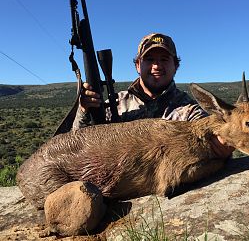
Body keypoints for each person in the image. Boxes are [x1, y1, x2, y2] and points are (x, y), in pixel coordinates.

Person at [73, 32, 234, 158]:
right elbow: (77, 144)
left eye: (164, 59)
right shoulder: (115, 103)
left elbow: (211, 139)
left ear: (175, 65)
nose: (156, 66)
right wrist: (84, 110)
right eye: (149, 59)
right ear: (137, 65)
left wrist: (221, 144)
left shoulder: (190, 111)